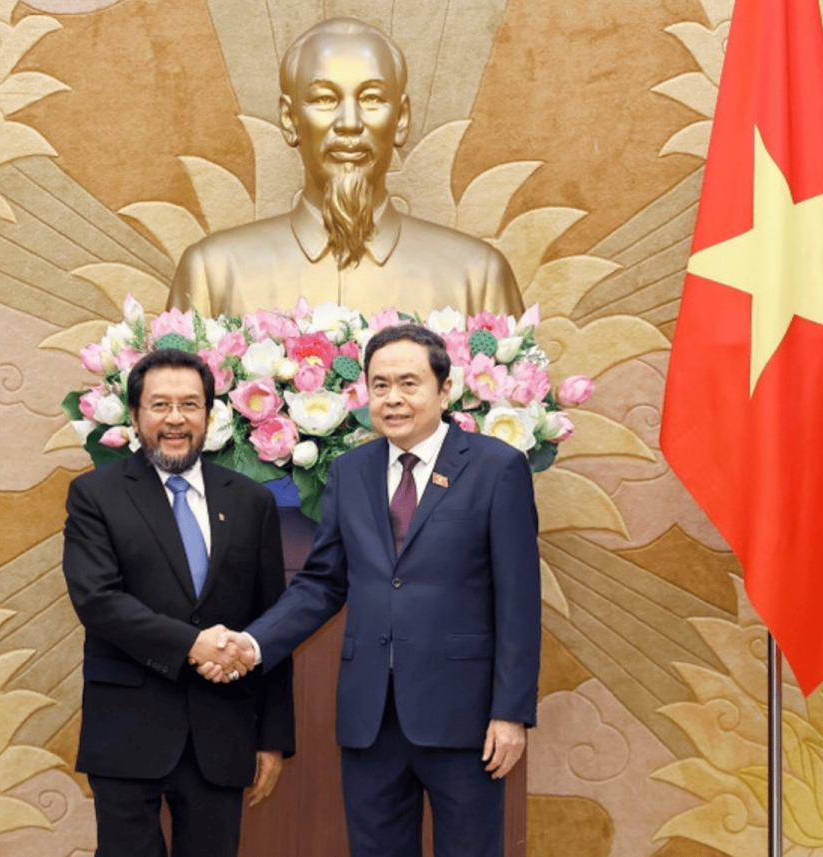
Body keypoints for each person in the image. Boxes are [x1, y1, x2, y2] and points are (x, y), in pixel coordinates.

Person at [213, 325, 541, 857]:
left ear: (446, 388)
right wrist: (254, 644)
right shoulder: (350, 471)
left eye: (409, 383)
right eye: (380, 384)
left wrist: (511, 711)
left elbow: (519, 600)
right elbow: (321, 583)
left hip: (466, 717)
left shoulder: (496, 468)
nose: (393, 398)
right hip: (371, 718)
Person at [61, 349, 294, 857]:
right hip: (126, 728)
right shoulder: (95, 495)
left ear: (210, 416)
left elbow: (272, 619)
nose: (174, 419)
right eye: (159, 404)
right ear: (136, 414)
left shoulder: (251, 501)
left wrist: (273, 737)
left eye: (190, 405)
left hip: (222, 730)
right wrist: (193, 644)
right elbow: (97, 600)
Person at [168, 17, 524, 319]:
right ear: (290, 119)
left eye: (372, 98)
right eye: (324, 99)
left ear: (401, 119)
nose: (349, 123)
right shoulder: (212, 274)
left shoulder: (478, 279)